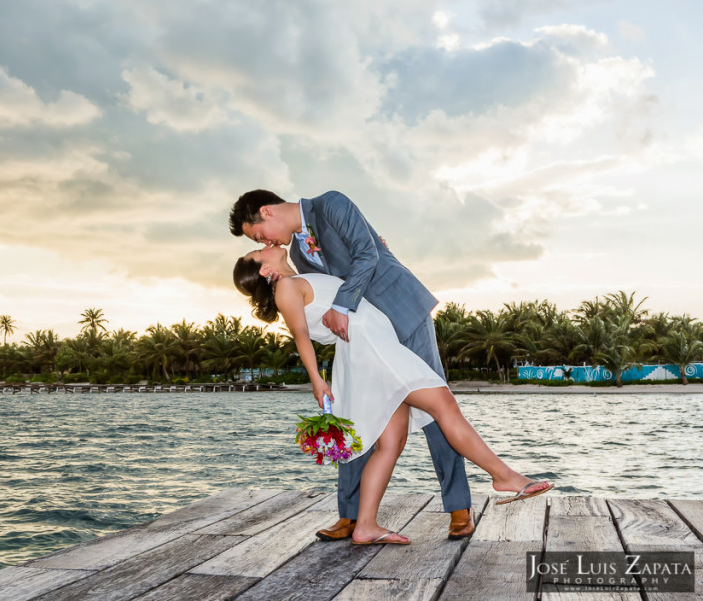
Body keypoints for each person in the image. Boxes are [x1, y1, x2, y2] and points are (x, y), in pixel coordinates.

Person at [233, 246, 554, 545]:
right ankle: (504, 476)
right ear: (264, 270)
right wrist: (316, 380)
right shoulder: (286, 289)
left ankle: (366, 526)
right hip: (371, 349)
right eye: (258, 251)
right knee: (443, 406)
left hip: (370, 349)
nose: (265, 246)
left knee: (390, 443)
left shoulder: (296, 280)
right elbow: (301, 336)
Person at [230, 188, 463, 541]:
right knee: (353, 418)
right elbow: (323, 291)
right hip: (364, 336)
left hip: (402, 311)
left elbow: (366, 254)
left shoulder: (331, 204)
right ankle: (351, 515)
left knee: (436, 409)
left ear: (266, 212)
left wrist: (373, 256)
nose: (265, 241)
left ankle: (459, 507)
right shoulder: (294, 257)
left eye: (259, 235)